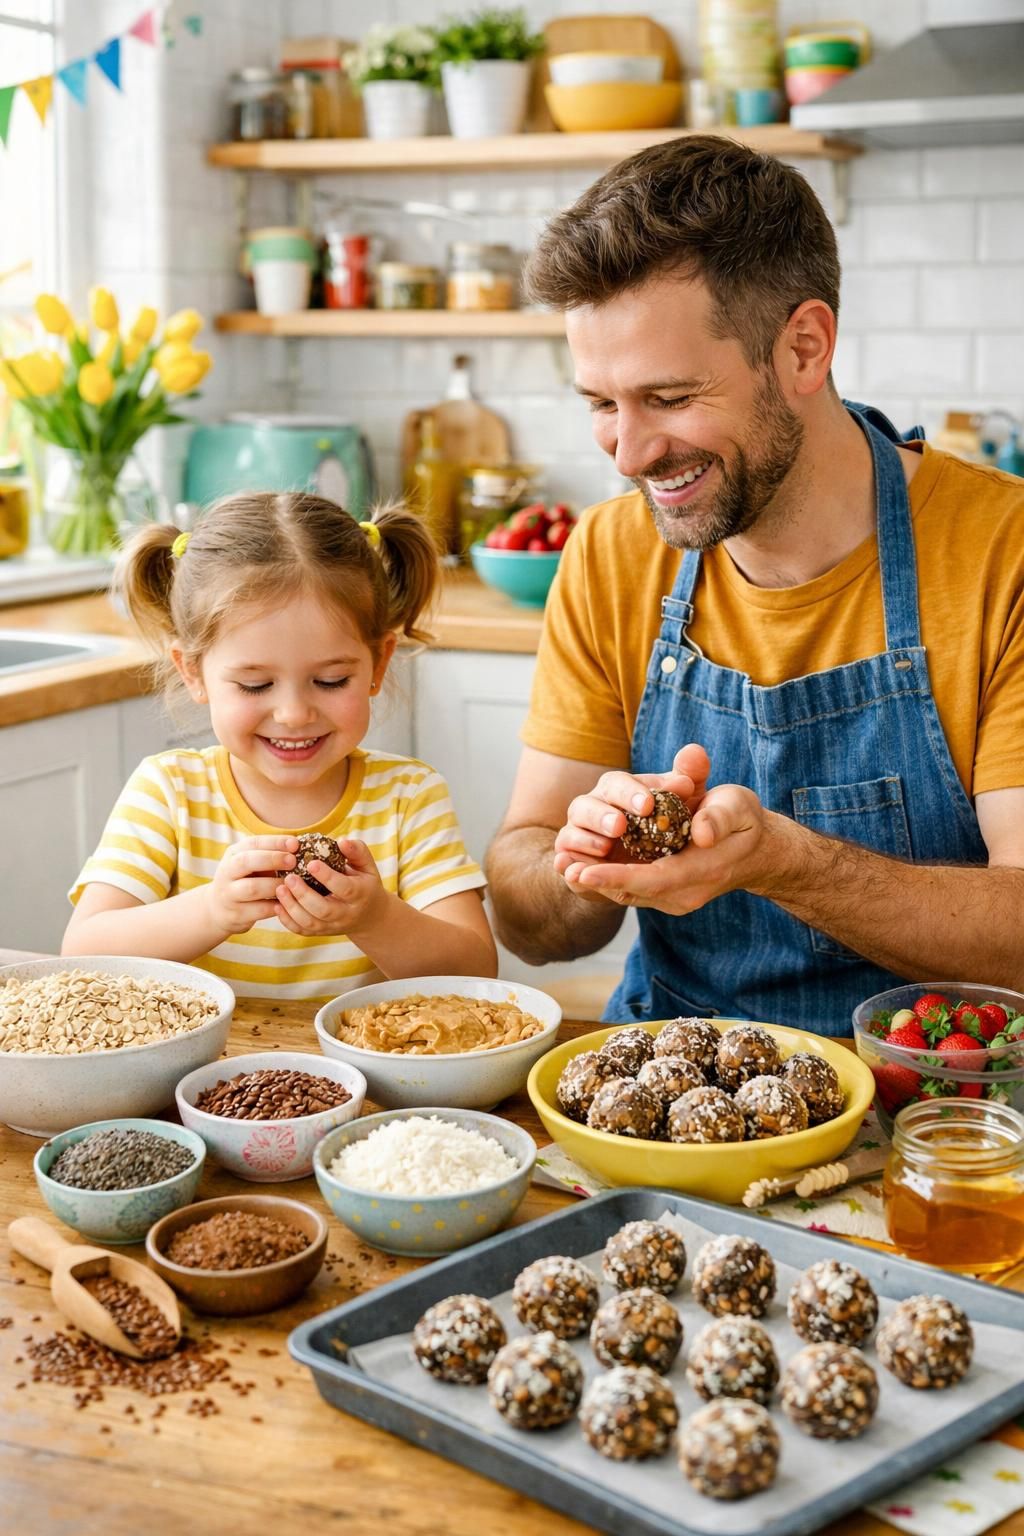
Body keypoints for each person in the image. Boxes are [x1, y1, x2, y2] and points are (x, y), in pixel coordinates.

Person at [485, 136, 1024, 1035]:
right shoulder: (613, 552)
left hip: (940, 1100)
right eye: (599, 404)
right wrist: (581, 862)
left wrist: (781, 860)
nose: (627, 451)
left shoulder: (1002, 554)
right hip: (668, 1076)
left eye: (667, 397)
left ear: (804, 347)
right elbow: (525, 914)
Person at [63, 493, 497, 997]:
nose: (293, 714)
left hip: (364, 1070)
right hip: (203, 1071)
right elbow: (83, 955)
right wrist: (212, 910)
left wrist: (376, 917)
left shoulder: (408, 796)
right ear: (193, 672)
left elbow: (476, 972)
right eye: (255, 685)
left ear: (378, 665)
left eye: (331, 680)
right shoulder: (169, 792)